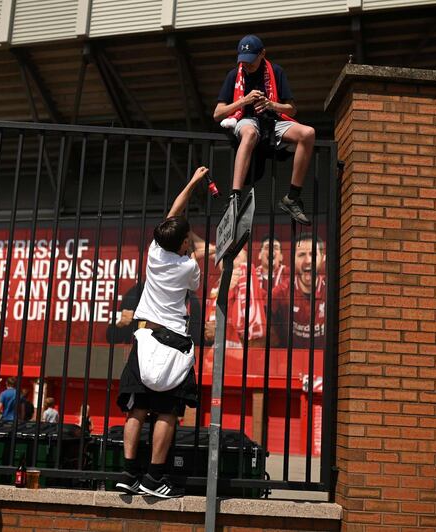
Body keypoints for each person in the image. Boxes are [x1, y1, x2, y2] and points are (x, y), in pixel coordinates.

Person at [115, 166, 210, 499]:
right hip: (172, 344)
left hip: (144, 338)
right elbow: (195, 280)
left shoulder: (154, 254)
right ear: (182, 242)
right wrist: (193, 249)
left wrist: (192, 182)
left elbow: (172, 213)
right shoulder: (188, 267)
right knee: (167, 412)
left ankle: (128, 472)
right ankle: (154, 478)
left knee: (136, 409)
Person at [214, 35, 316, 225]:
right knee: (250, 132)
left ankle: (292, 198)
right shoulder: (233, 75)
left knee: (308, 133)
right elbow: (217, 113)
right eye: (243, 60)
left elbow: (292, 109)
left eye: (251, 60)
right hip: (245, 120)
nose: (247, 65)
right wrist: (244, 100)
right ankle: (234, 196)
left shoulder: (276, 71)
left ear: (263, 54)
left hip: (272, 122)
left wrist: (271, 105)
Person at [271, 232, 326, 348]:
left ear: (323, 257)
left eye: (313, 254)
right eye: (301, 255)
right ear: (293, 259)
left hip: (323, 364)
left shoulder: (331, 291)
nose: (308, 260)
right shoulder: (280, 293)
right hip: (289, 363)